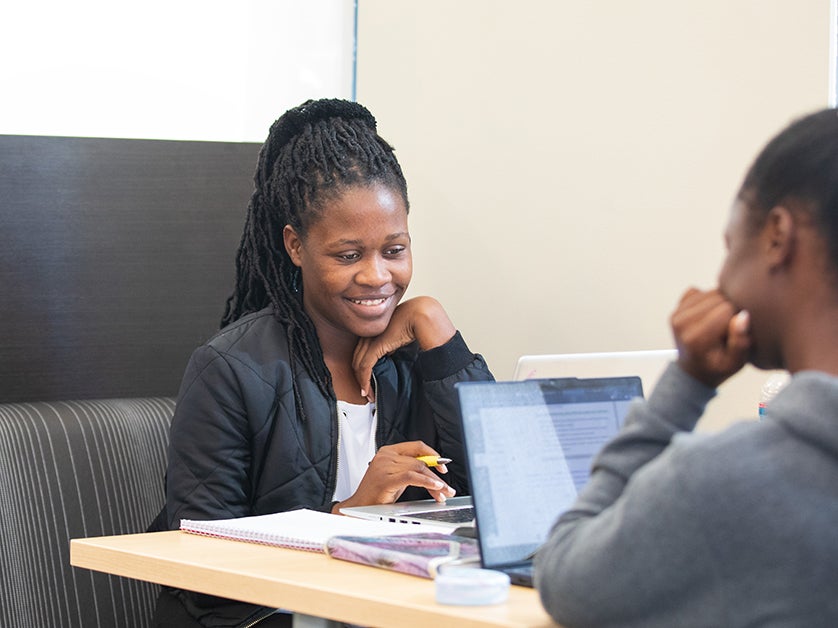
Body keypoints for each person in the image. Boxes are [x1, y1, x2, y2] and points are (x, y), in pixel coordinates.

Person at [150, 98, 493, 627]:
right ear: (295, 245)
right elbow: (206, 573)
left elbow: (498, 503)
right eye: (348, 255)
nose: (377, 277)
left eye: (394, 250)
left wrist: (436, 326)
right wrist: (355, 513)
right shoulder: (230, 370)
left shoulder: (413, 363)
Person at [534, 107, 838, 627]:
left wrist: (687, 384)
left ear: (776, 237)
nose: (720, 277)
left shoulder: (731, 483)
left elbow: (566, 576)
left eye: (729, 245)